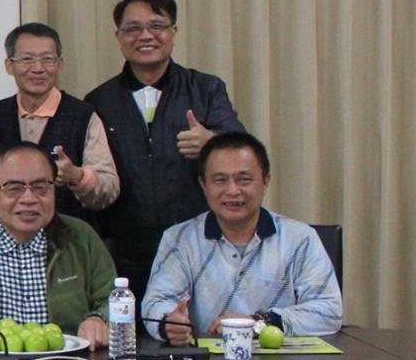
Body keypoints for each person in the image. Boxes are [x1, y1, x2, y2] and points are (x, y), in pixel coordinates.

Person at [85, 0, 244, 295]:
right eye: (133, 28)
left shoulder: (206, 89)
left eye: (156, 26)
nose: (145, 35)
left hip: (199, 246)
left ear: (174, 32)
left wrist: (211, 143)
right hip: (124, 253)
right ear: (118, 36)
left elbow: (242, 151)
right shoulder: (98, 101)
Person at [143, 132, 342, 342]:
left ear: (265, 181)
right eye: (220, 180)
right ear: (203, 185)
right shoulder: (179, 239)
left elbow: (328, 310)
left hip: (282, 359)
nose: (232, 190)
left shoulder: (300, 239)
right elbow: (156, 302)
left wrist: (260, 323)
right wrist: (169, 324)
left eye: (244, 180)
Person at [0, 142, 117, 348]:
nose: (28, 198)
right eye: (14, 188)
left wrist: (99, 319)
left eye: (40, 187)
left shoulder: (80, 237)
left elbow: (114, 300)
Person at [0, 24, 118, 229]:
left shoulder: (83, 116)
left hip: (67, 238)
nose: (38, 68)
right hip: (5, 239)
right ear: (9, 65)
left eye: (47, 59)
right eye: (27, 59)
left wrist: (77, 176)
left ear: (60, 64)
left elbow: (109, 189)